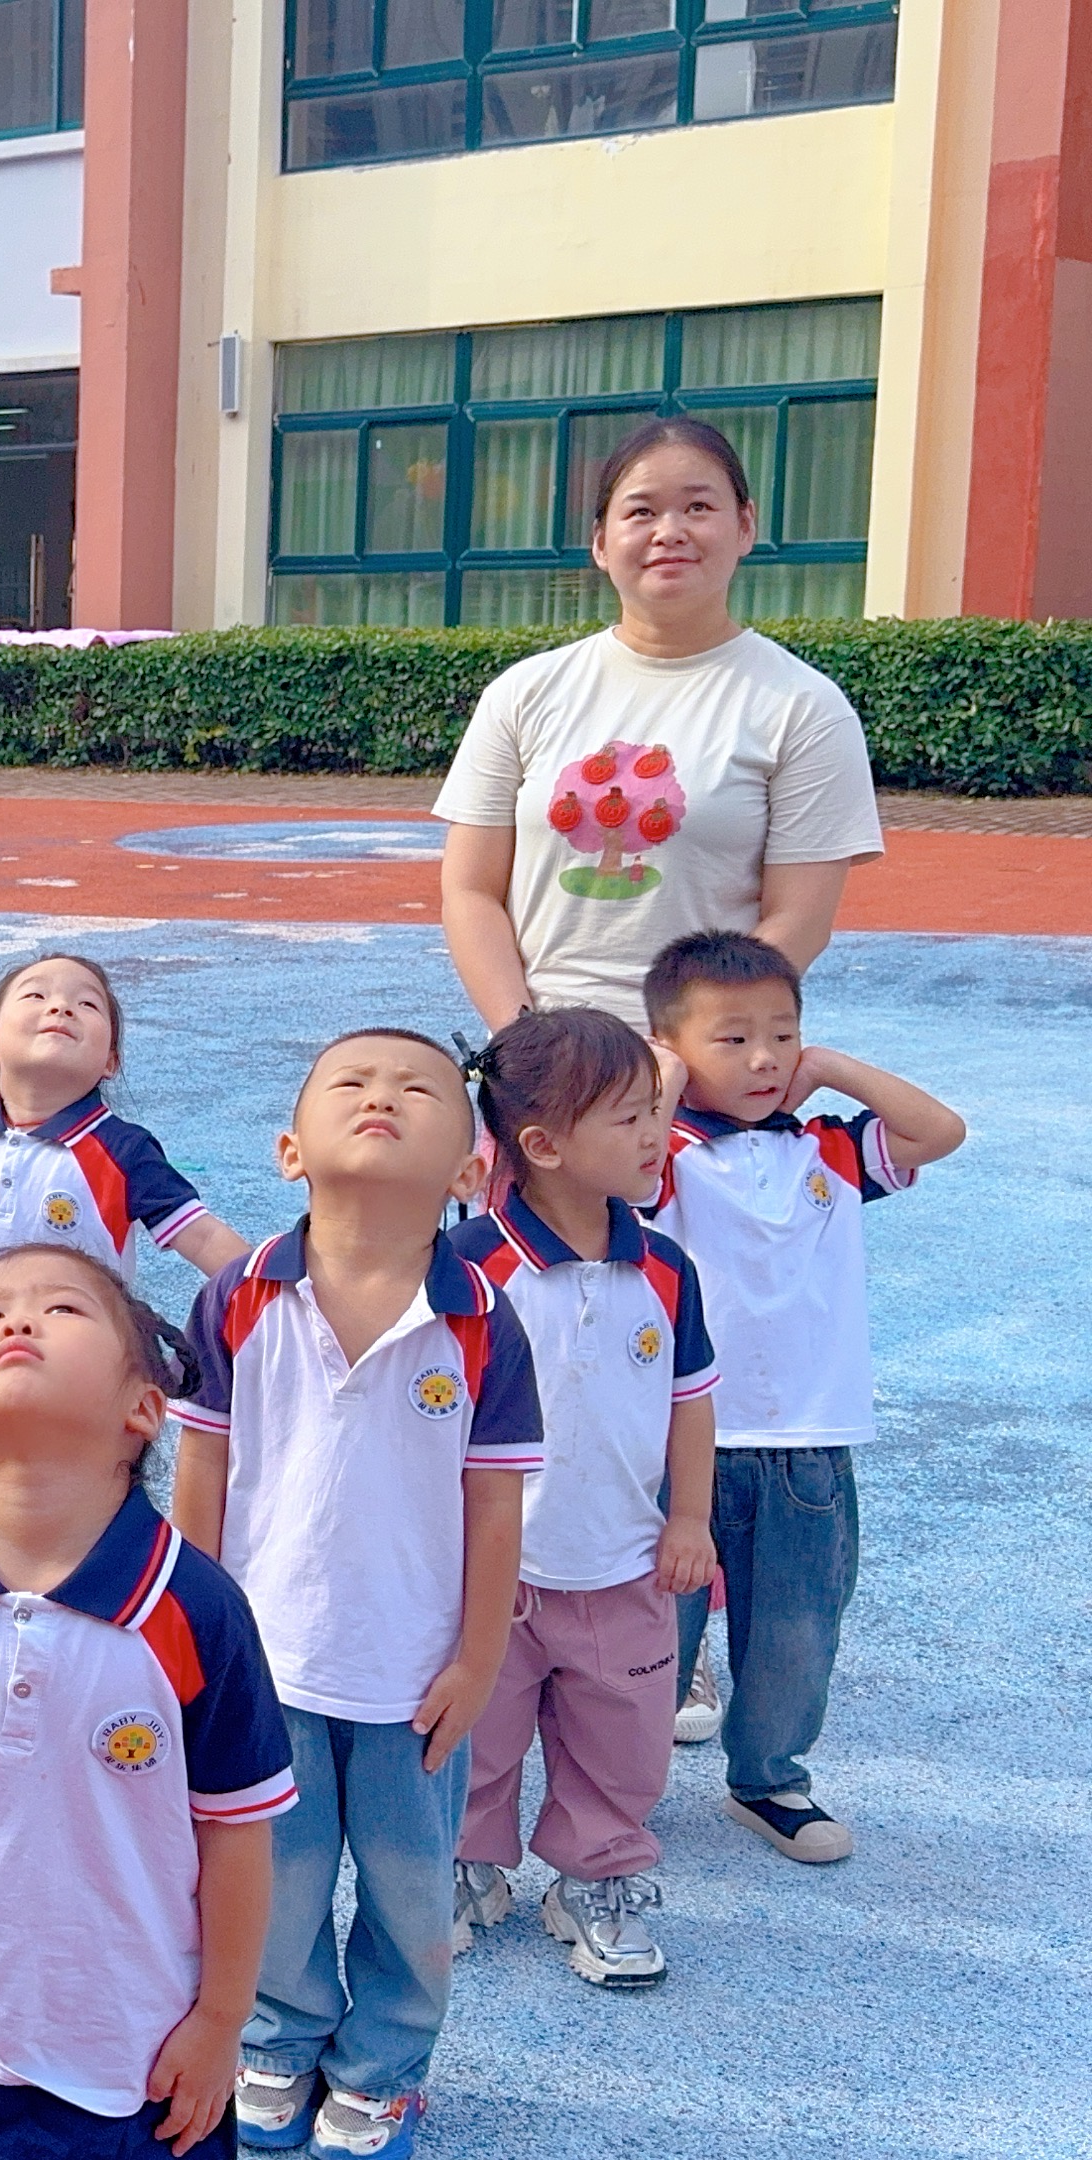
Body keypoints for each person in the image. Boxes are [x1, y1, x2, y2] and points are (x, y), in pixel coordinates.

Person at [170, 1030, 540, 2159]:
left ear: (471, 1170)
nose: (383, 1096)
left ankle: (385, 2066)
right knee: (269, 1881)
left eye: (420, 1089)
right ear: (292, 1148)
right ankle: (278, 2042)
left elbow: (493, 1506)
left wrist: (478, 1660)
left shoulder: (482, 1319)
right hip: (264, 1664)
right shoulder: (238, 1298)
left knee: (412, 1894)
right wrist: (192, 1640)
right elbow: (202, 1476)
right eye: (353, 1083)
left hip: (415, 1675)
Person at [0, 1244, 294, 2160]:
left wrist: (220, 2020)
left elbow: (236, 1831)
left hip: (142, 2060)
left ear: (143, 1409)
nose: (17, 1320)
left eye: (63, 1310)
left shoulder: (196, 1609)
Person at [645, 930, 963, 1865]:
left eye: (782, 1036)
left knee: (797, 1624)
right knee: (651, 1630)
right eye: (732, 1038)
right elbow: (619, 1171)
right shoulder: (659, 1154)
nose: (764, 1059)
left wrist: (828, 1066)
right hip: (675, 1438)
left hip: (809, 1436)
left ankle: (769, 1779)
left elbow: (937, 1132)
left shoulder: (824, 1152)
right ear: (671, 1046)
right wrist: (660, 1075)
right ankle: (616, 1787)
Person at [434, 416, 885, 1034]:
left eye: (698, 506)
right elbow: (471, 891)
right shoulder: (524, 693)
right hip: (544, 1060)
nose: (669, 532)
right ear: (600, 542)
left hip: (705, 1074)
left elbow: (799, 922)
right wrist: (524, 1037)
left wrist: (683, 1049)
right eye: (641, 512)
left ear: (745, 526)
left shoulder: (803, 707)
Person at [444, 1009, 719, 1987]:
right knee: (472, 1735)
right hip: (485, 1575)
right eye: (631, 1118)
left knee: (625, 1745)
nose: (657, 1135)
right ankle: (468, 1864)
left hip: (624, 1563)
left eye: (657, 1111)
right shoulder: (470, 1267)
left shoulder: (665, 1268)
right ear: (543, 1146)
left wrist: (689, 1516)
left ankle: (598, 1877)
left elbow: (692, 1404)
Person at [0, 952, 251, 1536]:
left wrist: (278, 1287)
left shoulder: (122, 1149)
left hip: (85, 1367)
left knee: (76, 1513)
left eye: (86, 1003)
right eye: (35, 997)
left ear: (110, 1060)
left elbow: (202, 1235)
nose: (60, 1006)